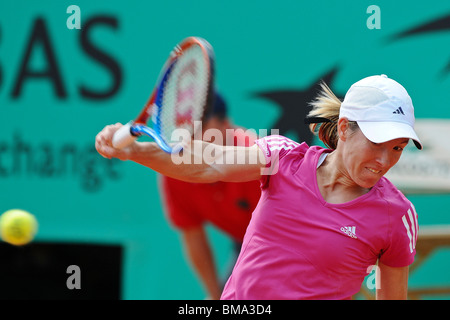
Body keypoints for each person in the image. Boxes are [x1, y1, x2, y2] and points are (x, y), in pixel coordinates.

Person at [96, 75, 422, 300]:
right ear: (344, 128)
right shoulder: (281, 158)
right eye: (376, 143)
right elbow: (210, 162)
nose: (384, 160)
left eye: (397, 147)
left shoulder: (397, 216)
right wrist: (135, 151)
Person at [158, 94, 261, 300]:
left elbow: (285, 241)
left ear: (226, 124)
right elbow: (193, 234)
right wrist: (214, 295)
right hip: (247, 244)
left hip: (293, 242)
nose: (190, 136)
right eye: (185, 127)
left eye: (200, 125)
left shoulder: (255, 162)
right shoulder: (176, 170)